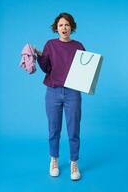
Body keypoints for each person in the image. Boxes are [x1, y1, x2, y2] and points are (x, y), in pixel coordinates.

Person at [34, 12, 86, 181]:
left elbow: (85, 70)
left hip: (73, 93)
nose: (64, 27)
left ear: (72, 27)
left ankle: (74, 163)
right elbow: (46, 68)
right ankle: (54, 160)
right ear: (56, 28)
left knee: (73, 130)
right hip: (53, 92)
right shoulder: (50, 44)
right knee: (54, 129)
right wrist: (39, 54)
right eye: (61, 25)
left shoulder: (78, 46)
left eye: (67, 24)